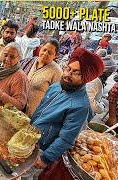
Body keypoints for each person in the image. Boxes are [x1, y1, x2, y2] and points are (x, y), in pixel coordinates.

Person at [30, 48, 104, 178]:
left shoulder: (81, 106)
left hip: (42, 150)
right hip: (29, 138)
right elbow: (39, 112)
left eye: (76, 73)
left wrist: (45, 158)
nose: (68, 74)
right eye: (68, 68)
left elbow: (66, 139)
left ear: (85, 78)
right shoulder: (55, 87)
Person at [20, 39, 63, 117]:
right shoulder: (29, 62)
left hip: (34, 114)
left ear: (55, 55)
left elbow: (54, 98)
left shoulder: (57, 72)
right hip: (17, 107)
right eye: (44, 50)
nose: (45, 53)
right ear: (40, 48)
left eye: (50, 53)